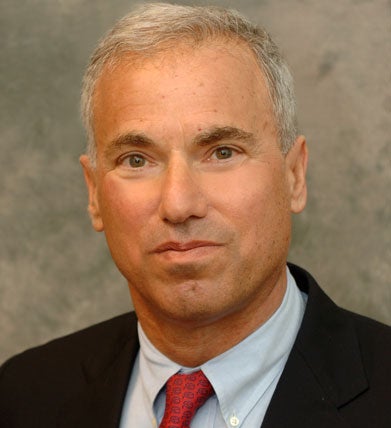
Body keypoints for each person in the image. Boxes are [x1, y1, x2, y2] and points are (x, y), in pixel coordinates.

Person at [0, 3, 389, 427]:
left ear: (294, 175)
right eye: (136, 160)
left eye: (223, 152)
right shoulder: (23, 395)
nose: (179, 205)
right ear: (94, 193)